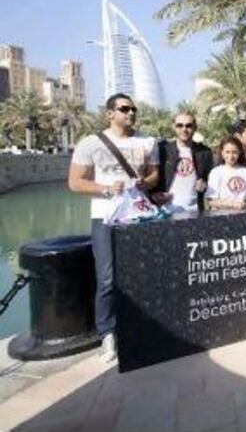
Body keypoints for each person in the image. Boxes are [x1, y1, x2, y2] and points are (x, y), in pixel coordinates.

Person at [67, 93, 159, 362]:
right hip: (105, 217)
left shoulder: (147, 141)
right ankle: (107, 333)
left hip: (139, 216)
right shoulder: (91, 143)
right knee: (107, 277)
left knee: (142, 273)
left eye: (133, 109)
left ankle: (143, 325)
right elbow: (75, 182)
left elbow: (155, 175)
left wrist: (147, 182)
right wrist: (106, 189)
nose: (130, 113)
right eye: (124, 109)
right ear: (110, 113)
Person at [153, 112, 213, 212]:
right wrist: (155, 194)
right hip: (165, 212)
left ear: (195, 127)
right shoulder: (162, 151)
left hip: (195, 212)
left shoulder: (205, 152)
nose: (184, 129)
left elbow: (211, 180)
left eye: (188, 126)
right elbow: (153, 178)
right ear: (173, 127)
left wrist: (204, 184)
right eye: (179, 125)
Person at [205, 137, 246, 210]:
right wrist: (231, 204)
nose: (231, 156)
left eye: (234, 152)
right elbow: (211, 201)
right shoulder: (216, 172)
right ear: (222, 152)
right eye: (227, 152)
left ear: (239, 152)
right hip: (222, 216)